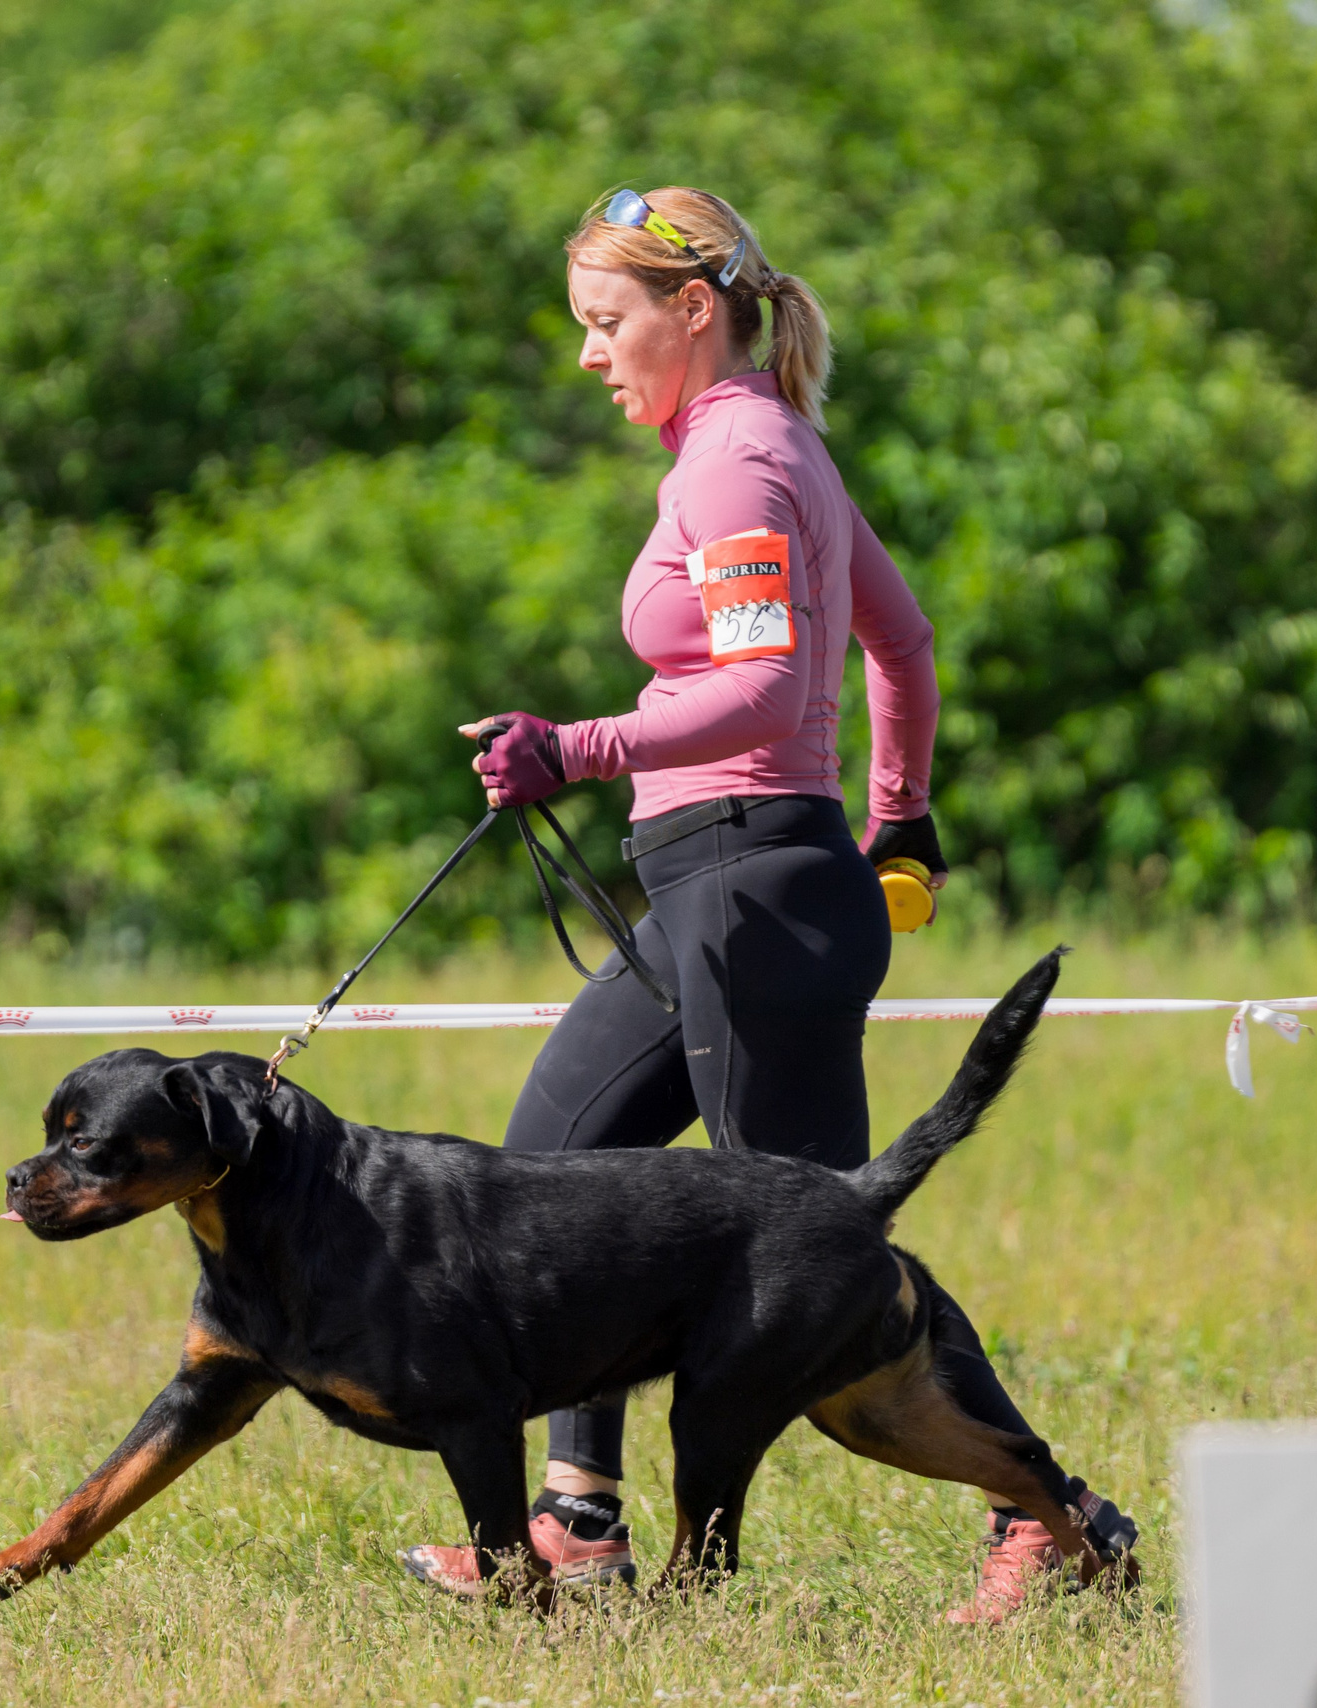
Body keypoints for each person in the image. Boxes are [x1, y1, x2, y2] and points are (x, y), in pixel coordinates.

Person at [396, 187, 1138, 1624]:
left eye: (606, 325)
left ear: (693, 309)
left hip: (754, 895)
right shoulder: (770, 445)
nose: (588, 356)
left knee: (828, 1254)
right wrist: (900, 811)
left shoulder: (737, 461)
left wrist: (574, 747)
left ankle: (1053, 1516)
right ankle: (576, 1524)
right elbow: (902, 650)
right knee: (550, 1174)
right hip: (718, 893)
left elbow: (744, 687)